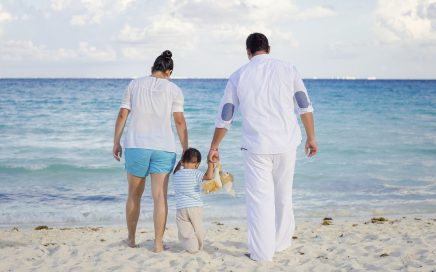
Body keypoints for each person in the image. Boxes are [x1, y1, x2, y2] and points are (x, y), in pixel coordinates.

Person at [208, 33, 318, 261]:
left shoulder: (239, 75)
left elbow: (226, 114)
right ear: (268, 48)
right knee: (283, 195)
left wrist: (214, 146)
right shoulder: (289, 69)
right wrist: (311, 137)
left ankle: (261, 253)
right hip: (287, 144)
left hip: (256, 147)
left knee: (260, 200)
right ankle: (281, 243)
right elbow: (304, 105)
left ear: (248, 52)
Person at [112, 50, 188, 252]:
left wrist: (116, 142)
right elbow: (179, 121)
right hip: (164, 148)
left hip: (137, 145)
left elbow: (122, 115)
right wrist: (185, 149)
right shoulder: (174, 90)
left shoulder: (134, 84)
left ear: (152, 68)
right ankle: (157, 243)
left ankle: (131, 239)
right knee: (160, 197)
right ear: (169, 71)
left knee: (134, 195)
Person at [173, 148, 214, 253]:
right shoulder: (196, 173)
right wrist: (210, 162)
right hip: (196, 206)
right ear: (197, 164)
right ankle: (200, 245)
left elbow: (175, 170)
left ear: (182, 161)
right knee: (198, 227)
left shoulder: (177, 174)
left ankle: (192, 247)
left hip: (181, 208)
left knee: (185, 230)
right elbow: (209, 176)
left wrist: (180, 161)